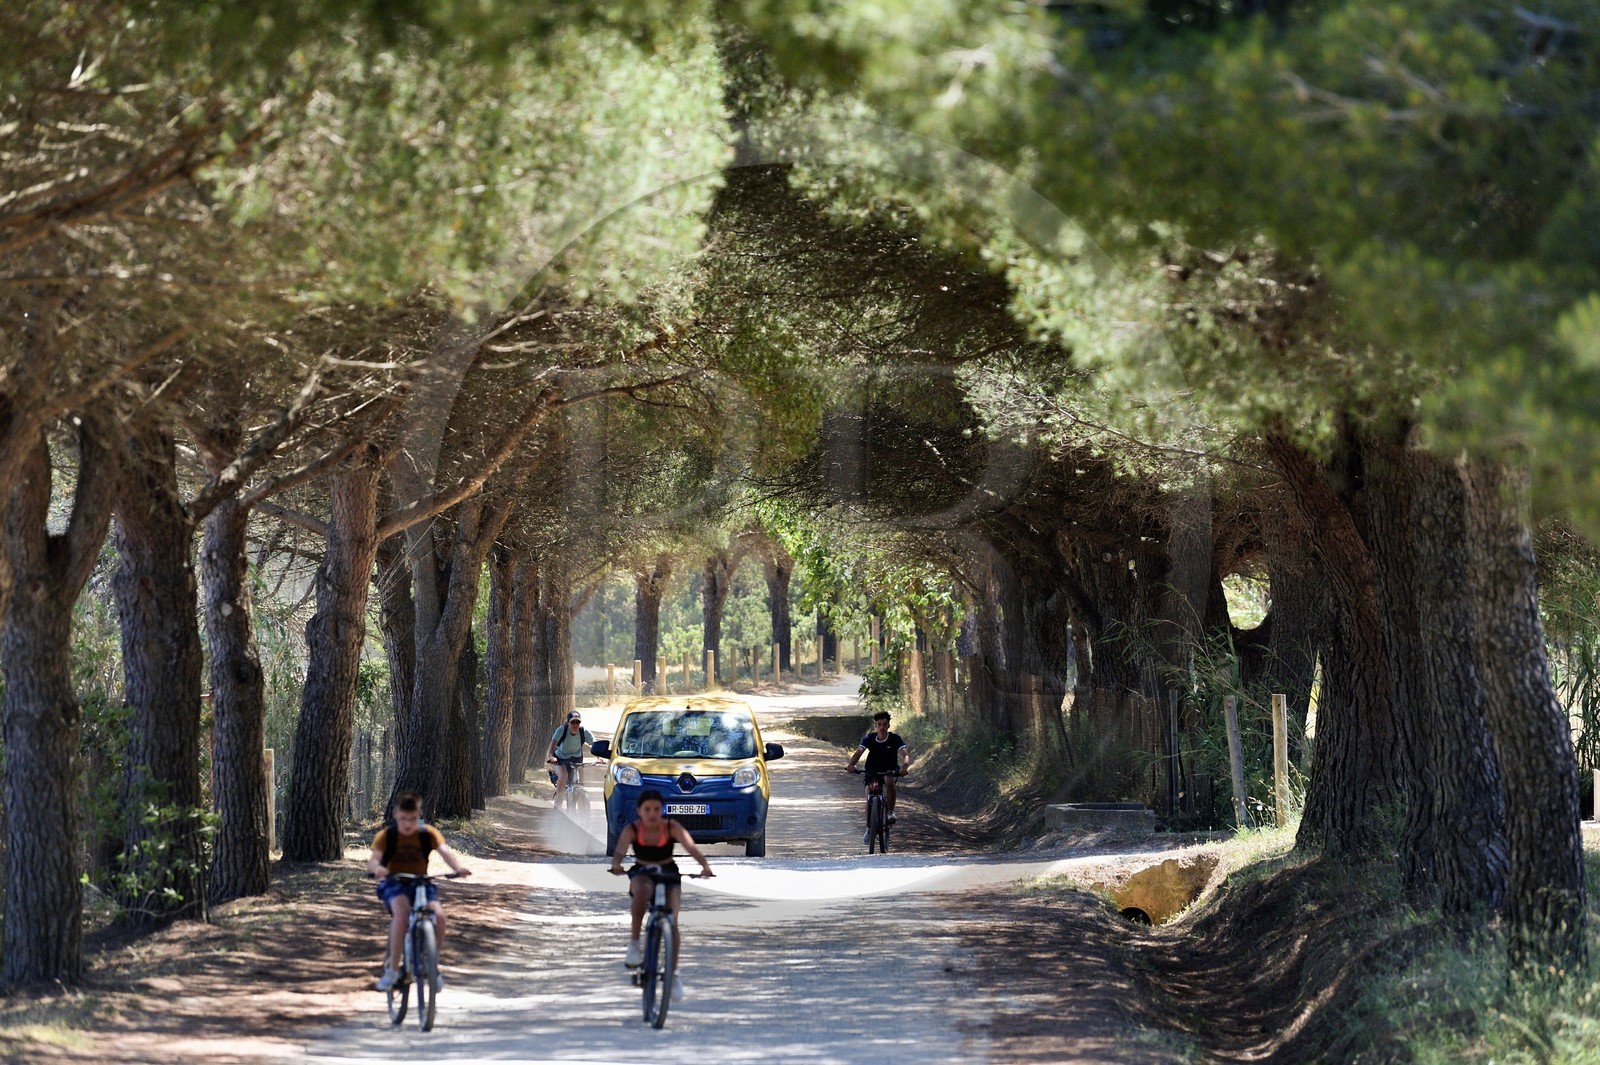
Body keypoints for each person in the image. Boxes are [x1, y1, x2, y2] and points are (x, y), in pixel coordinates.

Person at [608, 788, 714, 1000]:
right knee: (642, 891)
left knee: (672, 923)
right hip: (642, 870)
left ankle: (672, 975)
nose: (652, 813)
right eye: (647, 809)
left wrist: (705, 866)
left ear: (662, 810)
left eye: (657, 809)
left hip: (668, 872)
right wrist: (616, 865)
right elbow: (619, 851)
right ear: (639, 811)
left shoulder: (671, 827)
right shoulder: (632, 829)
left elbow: (691, 848)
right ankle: (635, 945)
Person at [367, 790, 472, 991]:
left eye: (412, 818)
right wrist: (378, 869)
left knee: (439, 916)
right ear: (395, 815)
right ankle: (392, 971)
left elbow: (445, 853)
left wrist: (457, 868)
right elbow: (373, 860)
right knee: (401, 915)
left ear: (419, 815)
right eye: (403, 818)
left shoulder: (428, 833)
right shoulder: (387, 836)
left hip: (421, 882)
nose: (407, 823)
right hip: (394, 882)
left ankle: (431, 963)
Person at [846, 710, 911, 843]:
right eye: (879, 724)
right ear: (875, 726)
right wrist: (851, 764)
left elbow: (905, 754)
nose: (882, 727)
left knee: (889, 782)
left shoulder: (895, 739)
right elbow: (859, 752)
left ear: (888, 725)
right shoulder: (869, 738)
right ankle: (869, 828)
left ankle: (890, 812)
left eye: (884, 724)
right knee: (869, 795)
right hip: (872, 770)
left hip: (889, 769)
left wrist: (904, 767)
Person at [547, 710, 595, 804]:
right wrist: (552, 758)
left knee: (581, 784)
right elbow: (551, 749)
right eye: (573, 722)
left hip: (576, 759)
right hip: (560, 759)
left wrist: (599, 756)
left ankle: (583, 809)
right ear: (568, 723)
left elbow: (595, 745)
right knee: (563, 775)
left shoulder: (584, 732)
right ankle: (558, 804)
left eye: (578, 722)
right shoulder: (561, 730)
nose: (575, 725)